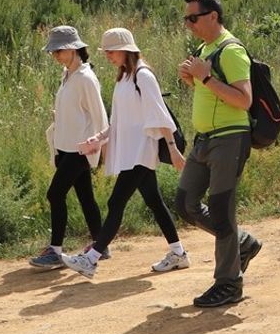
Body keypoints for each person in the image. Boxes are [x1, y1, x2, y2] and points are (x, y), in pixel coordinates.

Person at [58, 28, 187, 278]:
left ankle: (91, 258)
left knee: (116, 202)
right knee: (154, 202)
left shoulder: (143, 76)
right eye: (105, 51)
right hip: (131, 151)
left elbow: (160, 115)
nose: (107, 55)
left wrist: (173, 150)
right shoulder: (124, 77)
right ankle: (179, 253)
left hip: (141, 151)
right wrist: (99, 138)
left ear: (126, 50)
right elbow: (119, 122)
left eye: (111, 51)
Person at [175, 0, 263, 308]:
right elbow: (210, 90)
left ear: (213, 16)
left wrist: (206, 77)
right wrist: (192, 78)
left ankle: (229, 283)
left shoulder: (231, 50)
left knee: (222, 210)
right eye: (186, 18)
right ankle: (241, 243)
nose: (188, 23)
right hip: (205, 140)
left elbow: (243, 100)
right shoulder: (204, 47)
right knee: (185, 203)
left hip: (230, 139)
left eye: (193, 17)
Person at [29, 26, 108, 270]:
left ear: (74, 49)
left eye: (59, 50)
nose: (55, 55)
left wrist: (98, 144)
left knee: (54, 194)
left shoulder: (85, 78)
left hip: (80, 150)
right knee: (85, 197)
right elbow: (77, 110)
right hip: (65, 147)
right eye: (53, 51)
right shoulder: (68, 74)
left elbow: (99, 114)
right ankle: (100, 245)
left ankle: (55, 251)